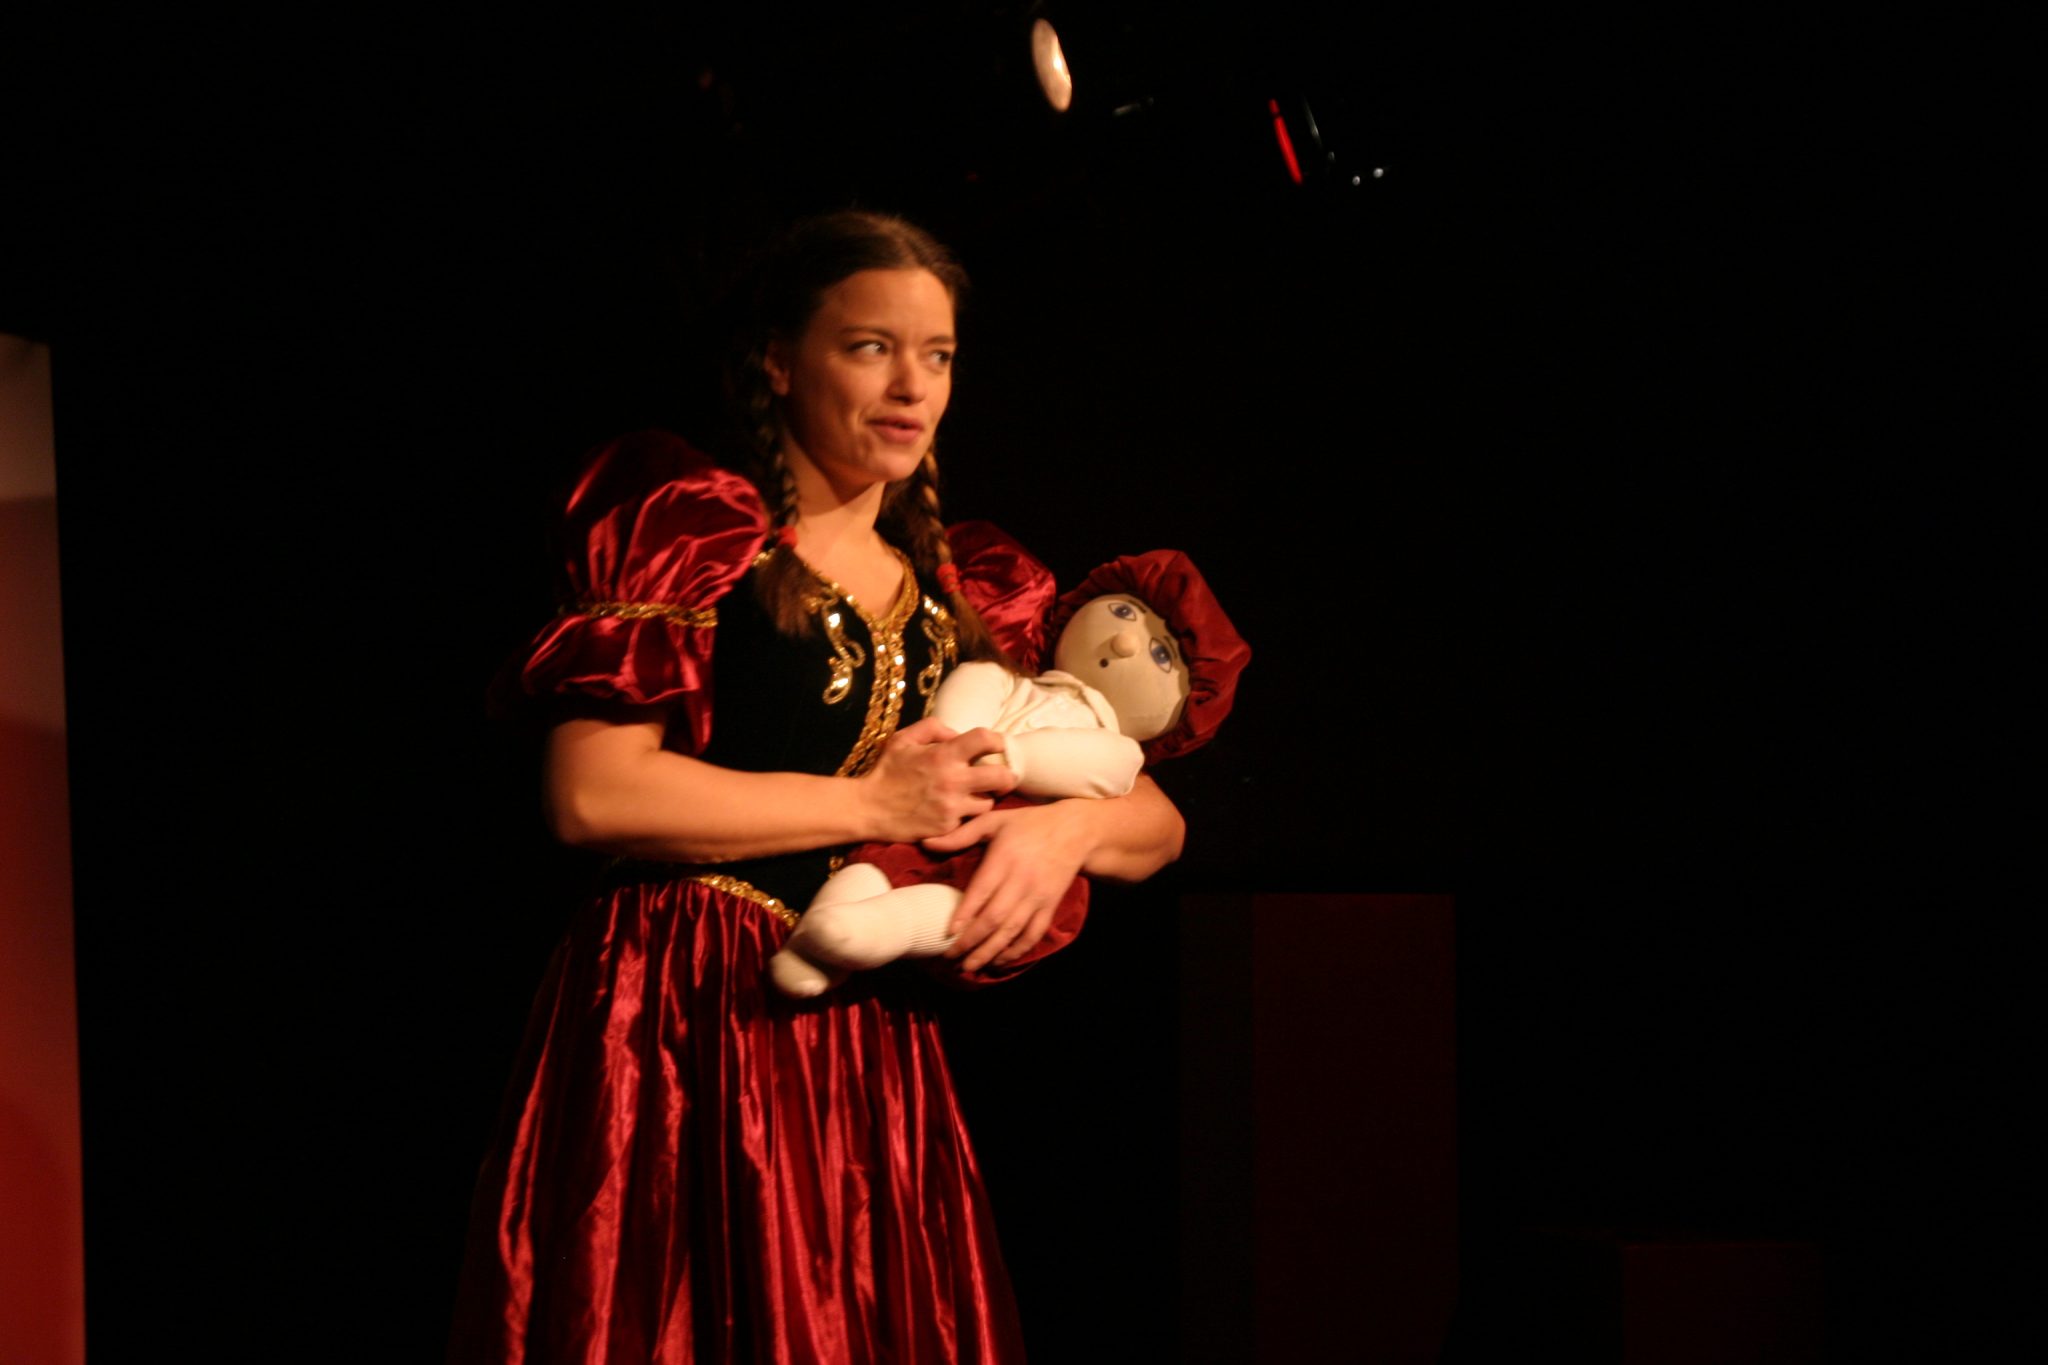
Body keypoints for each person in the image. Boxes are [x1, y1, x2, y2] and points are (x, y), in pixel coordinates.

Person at [447, 210, 1186, 1364]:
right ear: (778, 361)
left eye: (935, 355)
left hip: (866, 1043)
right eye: (868, 347)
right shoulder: (695, 534)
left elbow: (1158, 823)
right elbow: (591, 796)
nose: (910, 386)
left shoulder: (962, 595)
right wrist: (873, 810)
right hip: (685, 1009)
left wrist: (1060, 836)